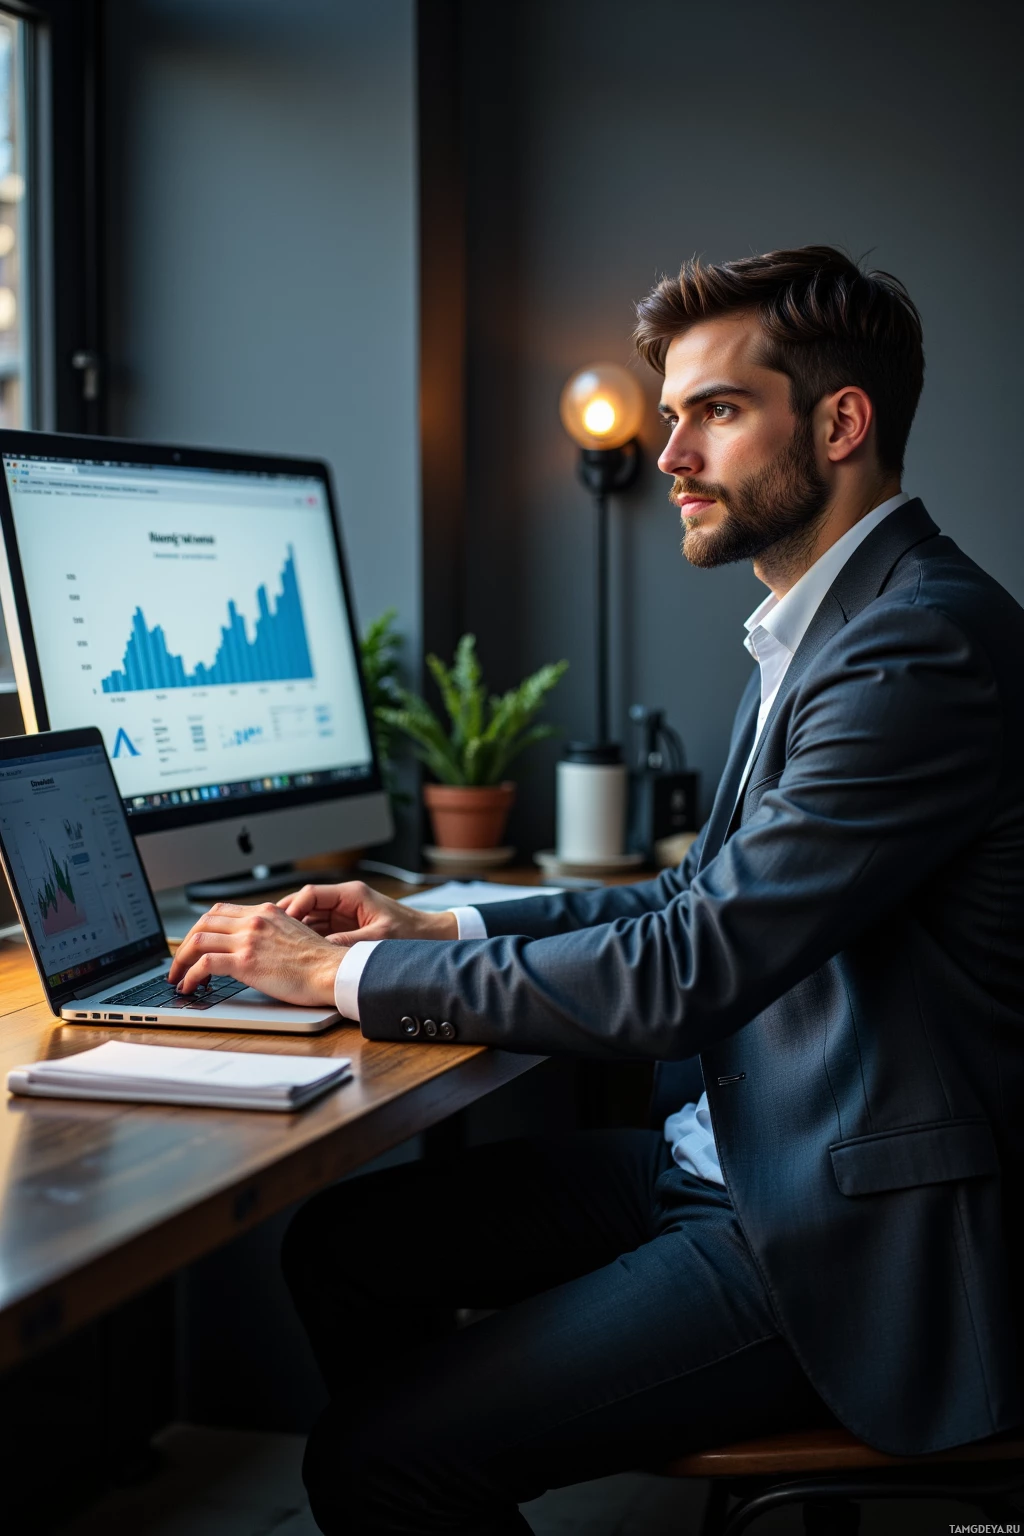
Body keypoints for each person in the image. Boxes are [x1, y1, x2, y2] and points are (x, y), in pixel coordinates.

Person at [169, 246, 1024, 1536]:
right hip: (739, 1156)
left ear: (842, 423)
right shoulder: (830, 622)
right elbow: (691, 903)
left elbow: (689, 972)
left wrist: (331, 974)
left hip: (840, 1233)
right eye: (671, 414)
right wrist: (431, 922)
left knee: (375, 1457)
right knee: (345, 1250)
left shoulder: (917, 645)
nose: (670, 454)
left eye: (716, 413)